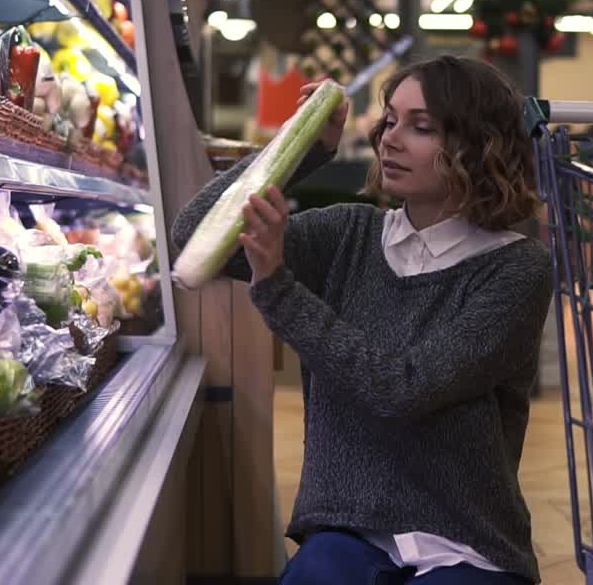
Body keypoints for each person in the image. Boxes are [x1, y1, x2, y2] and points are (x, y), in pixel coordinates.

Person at [172, 55, 553, 584]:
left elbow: (403, 389)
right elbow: (193, 235)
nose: (391, 139)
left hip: (465, 539)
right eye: (390, 120)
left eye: (421, 127)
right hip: (347, 529)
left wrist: (278, 289)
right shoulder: (349, 234)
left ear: (478, 145)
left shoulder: (517, 268)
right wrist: (301, 144)